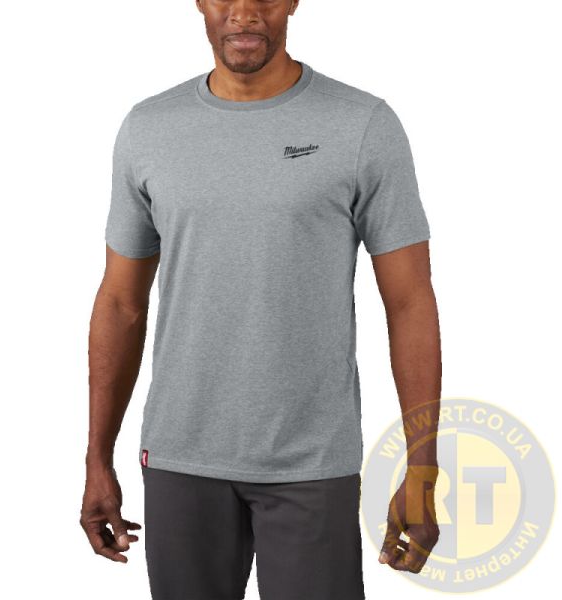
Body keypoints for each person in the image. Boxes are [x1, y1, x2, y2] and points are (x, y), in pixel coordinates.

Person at [80, 1, 442, 598]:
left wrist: (423, 467)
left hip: (311, 463)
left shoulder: (361, 124)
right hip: (179, 457)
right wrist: (97, 456)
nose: (244, 12)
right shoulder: (149, 127)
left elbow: (410, 304)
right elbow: (121, 302)